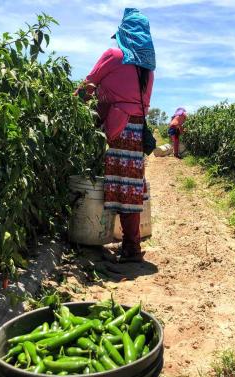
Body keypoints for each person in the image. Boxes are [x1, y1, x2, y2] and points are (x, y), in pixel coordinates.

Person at [75, 8, 155, 263]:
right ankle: (131, 245)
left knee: (100, 178)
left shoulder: (114, 55)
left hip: (112, 127)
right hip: (136, 129)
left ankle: (93, 233)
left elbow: (89, 84)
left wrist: (73, 105)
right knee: (129, 185)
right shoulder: (147, 69)